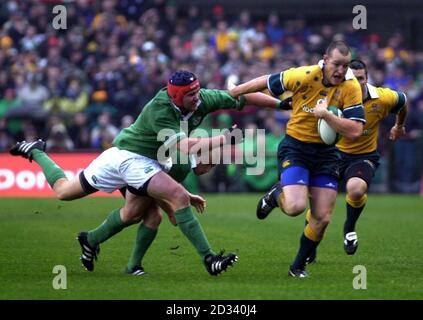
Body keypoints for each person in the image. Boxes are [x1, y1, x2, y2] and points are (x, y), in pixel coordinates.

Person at [10, 70, 282, 276]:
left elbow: (241, 97)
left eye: (197, 91)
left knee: (145, 215)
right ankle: (36, 151)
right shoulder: (160, 109)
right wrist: (221, 141)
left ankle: (101, 247)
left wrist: (282, 105)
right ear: (175, 96)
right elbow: (183, 145)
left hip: (151, 163)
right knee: (64, 192)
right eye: (190, 94)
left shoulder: (201, 100)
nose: (196, 97)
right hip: (127, 157)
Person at [229, 40, 365, 277]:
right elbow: (267, 80)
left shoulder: (351, 87)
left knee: (322, 218)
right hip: (297, 148)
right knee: (295, 207)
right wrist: (237, 90)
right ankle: (275, 195)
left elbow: (354, 130)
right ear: (325, 59)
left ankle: (297, 267)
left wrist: (326, 116)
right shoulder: (303, 75)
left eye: (345, 66)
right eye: (336, 64)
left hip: (327, 154)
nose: (341, 71)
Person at [334, 59, 408, 255]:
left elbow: (403, 102)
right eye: (352, 79)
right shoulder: (335, 96)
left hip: (363, 156)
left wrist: (399, 126)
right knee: (316, 199)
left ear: (367, 79)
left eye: (361, 78)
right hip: (333, 154)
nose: (357, 83)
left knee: (356, 190)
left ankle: (349, 228)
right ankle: (310, 249)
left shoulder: (382, 98)